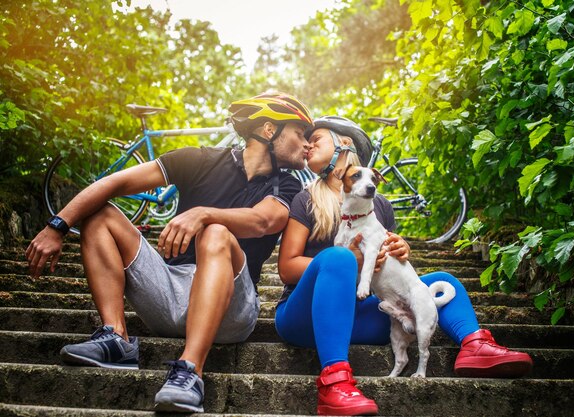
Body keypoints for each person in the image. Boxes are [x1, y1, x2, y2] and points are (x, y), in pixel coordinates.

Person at [25, 92, 313, 413]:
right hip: (168, 292)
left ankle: (190, 370)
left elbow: (263, 221)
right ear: (270, 130)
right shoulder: (198, 159)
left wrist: (204, 213)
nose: (307, 144)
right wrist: (57, 226)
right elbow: (114, 183)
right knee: (99, 214)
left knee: (216, 232)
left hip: (232, 309)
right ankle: (115, 337)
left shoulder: (287, 186)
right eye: (300, 134)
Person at [275, 116, 533, 416]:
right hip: (303, 319)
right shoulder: (305, 199)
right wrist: (352, 262)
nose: (307, 145)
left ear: (343, 143)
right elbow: (287, 267)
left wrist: (401, 250)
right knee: (339, 257)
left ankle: (473, 345)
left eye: (315, 138)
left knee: (440, 280)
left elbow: (390, 270)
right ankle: (334, 382)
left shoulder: (380, 205)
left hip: (360, 318)